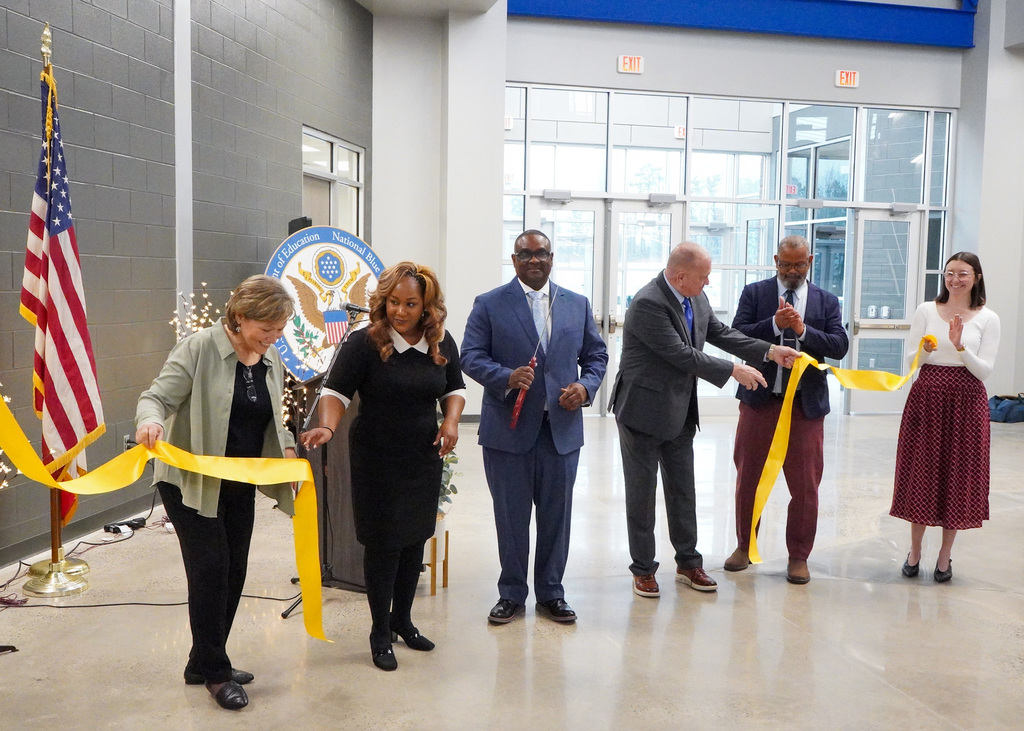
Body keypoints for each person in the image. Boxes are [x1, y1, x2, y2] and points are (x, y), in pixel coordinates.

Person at [135, 275, 298, 711]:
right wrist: (149, 422)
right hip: (189, 482)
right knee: (210, 569)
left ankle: (202, 661)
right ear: (241, 317)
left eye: (280, 329)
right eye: (267, 329)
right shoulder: (200, 347)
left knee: (235, 571)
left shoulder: (269, 357)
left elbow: (272, 419)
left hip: (238, 478)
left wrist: (287, 450)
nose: (274, 337)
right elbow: (156, 397)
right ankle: (216, 673)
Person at [300, 262, 465, 671]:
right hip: (376, 457)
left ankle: (402, 620)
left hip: (421, 456)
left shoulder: (440, 342)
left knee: (413, 540)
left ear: (427, 305)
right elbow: (336, 391)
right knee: (383, 543)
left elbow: (455, 388)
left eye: (411, 304)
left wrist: (450, 420)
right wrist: (327, 428)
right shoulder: (364, 342)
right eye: (394, 302)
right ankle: (378, 633)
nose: (400, 311)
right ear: (383, 301)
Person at [610, 242, 799, 599]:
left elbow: (721, 333)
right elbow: (681, 355)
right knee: (642, 495)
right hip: (642, 411)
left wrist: (769, 351)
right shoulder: (648, 302)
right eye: (704, 276)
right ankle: (643, 570)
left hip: (680, 410)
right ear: (680, 276)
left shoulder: (694, 297)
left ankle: (688, 563)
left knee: (683, 491)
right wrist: (733, 370)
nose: (708, 283)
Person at [461, 230, 607, 625]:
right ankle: (511, 593)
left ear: (552, 257)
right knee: (510, 517)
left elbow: (597, 355)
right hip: (507, 432)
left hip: (560, 432)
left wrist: (586, 386)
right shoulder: (490, 304)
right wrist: (506, 376)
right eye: (525, 255)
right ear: (514, 260)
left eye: (541, 253)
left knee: (556, 518)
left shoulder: (575, 304)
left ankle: (551, 594)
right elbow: (469, 356)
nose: (534, 261)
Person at [724, 236, 849, 584]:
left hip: (805, 409)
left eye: (800, 265)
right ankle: (743, 547)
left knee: (805, 486)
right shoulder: (755, 293)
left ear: (810, 260)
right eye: (785, 265)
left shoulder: (827, 300)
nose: (792, 272)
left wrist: (802, 329)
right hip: (760, 401)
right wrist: (775, 326)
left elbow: (839, 346)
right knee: (749, 478)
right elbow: (736, 335)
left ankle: (798, 557)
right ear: (775, 260)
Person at [891, 251, 999, 583]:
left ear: (976, 278)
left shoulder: (987, 318)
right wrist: (925, 349)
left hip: (967, 401)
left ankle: (944, 556)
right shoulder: (927, 310)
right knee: (922, 472)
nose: (955, 279)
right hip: (927, 396)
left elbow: (984, 372)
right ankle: (915, 550)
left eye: (963, 274)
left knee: (958, 478)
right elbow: (910, 361)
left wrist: (960, 347)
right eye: (950, 273)